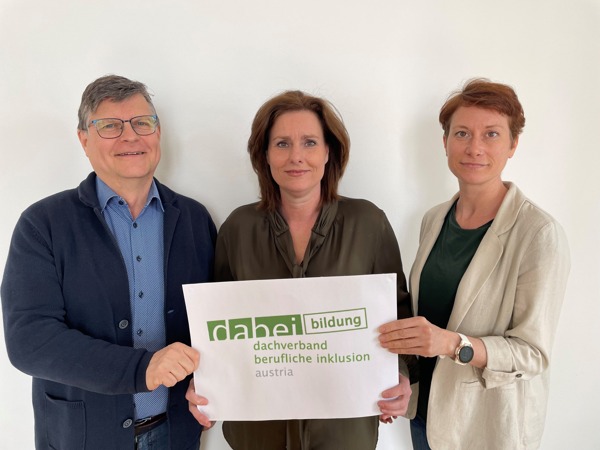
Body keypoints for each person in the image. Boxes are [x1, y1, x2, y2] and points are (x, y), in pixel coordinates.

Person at [186, 90, 416, 449]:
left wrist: (399, 375)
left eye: (309, 142)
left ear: (328, 152)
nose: (296, 156)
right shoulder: (238, 228)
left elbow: (398, 317)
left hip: (343, 434)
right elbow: (218, 331)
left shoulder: (368, 223)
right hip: (258, 435)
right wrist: (207, 384)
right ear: (265, 155)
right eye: (282, 144)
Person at [1, 75, 217, 450]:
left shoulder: (195, 220)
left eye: (142, 123)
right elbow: (30, 341)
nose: (130, 137)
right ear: (84, 139)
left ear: (158, 133)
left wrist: (213, 380)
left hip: (175, 434)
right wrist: (142, 369)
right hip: (83, 437)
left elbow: (217, 324)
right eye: (110, 126)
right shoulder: (43, 224)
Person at [378, 78, 570, 450]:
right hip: (426, 416)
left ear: (513, 144)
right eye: (462, 133)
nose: (474, 148)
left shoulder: (539, 233)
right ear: (445, 141)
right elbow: (422, 322)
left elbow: (532, 354)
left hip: (485, 427)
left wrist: (453, 344)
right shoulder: (434, 219)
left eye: (492, 134)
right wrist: (402, 378)